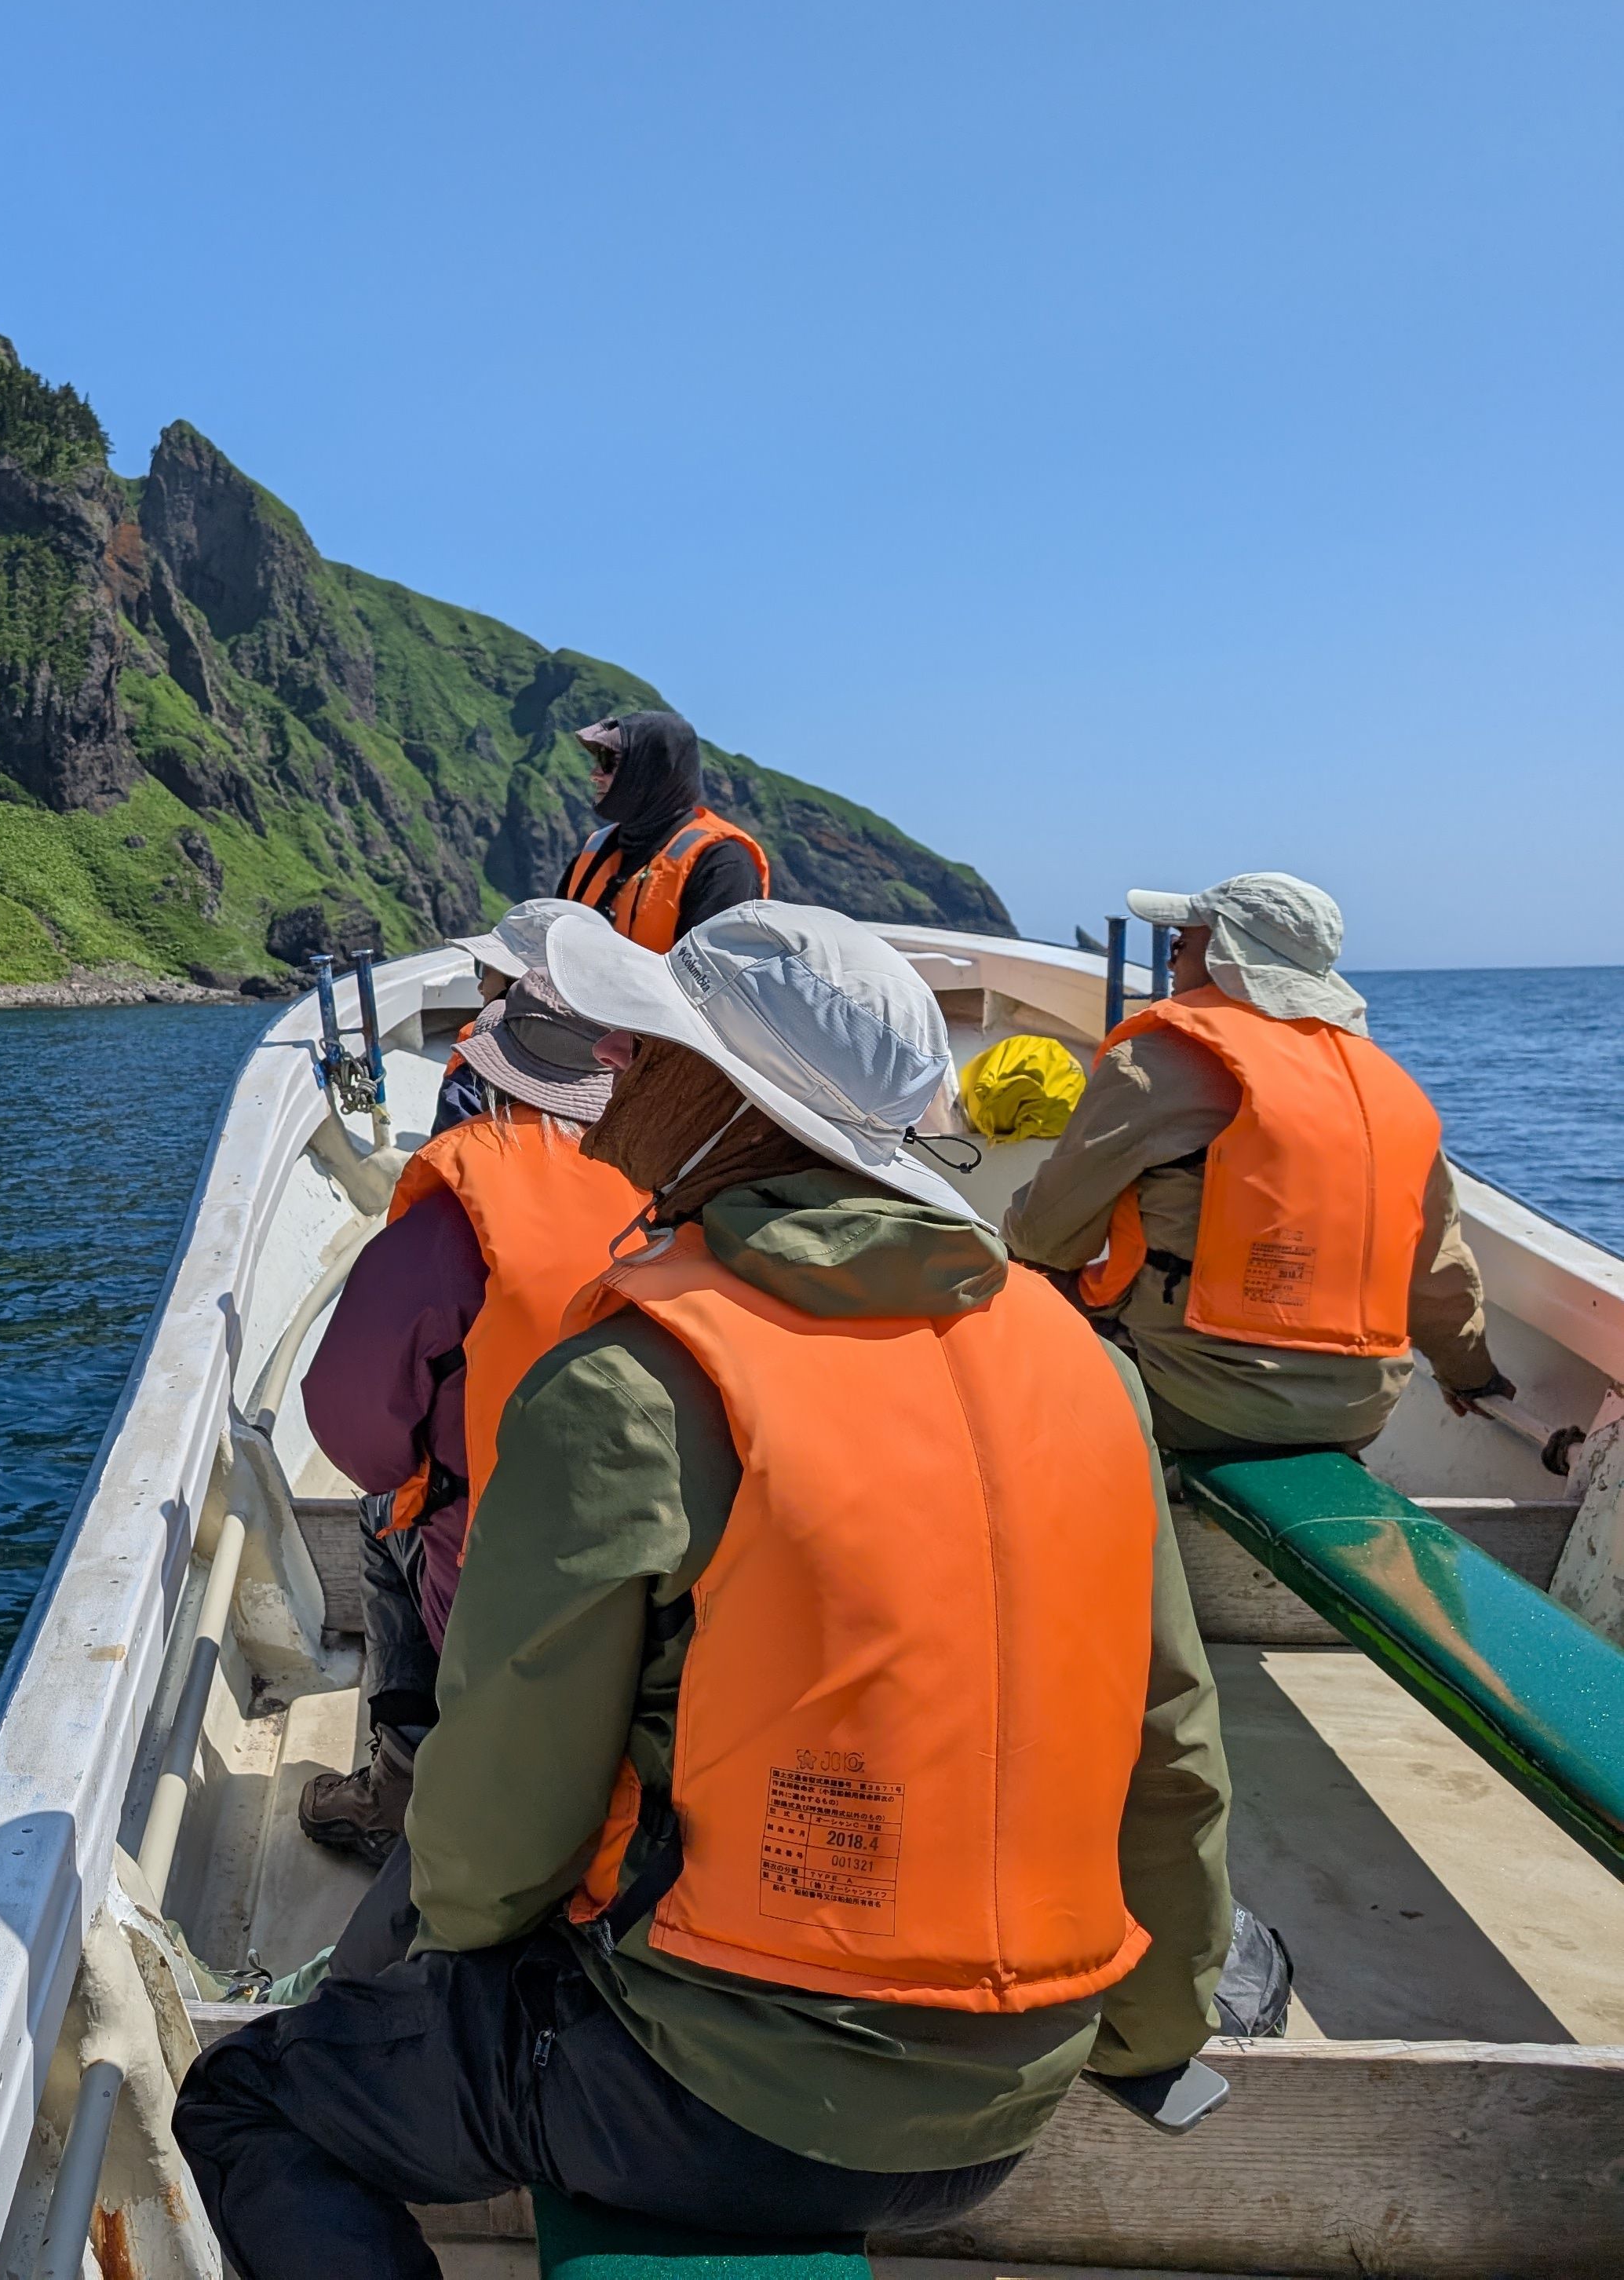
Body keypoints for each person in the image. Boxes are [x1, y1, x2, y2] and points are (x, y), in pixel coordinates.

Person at [176, 902, 1232, 2278]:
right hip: (1011, 2093)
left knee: (250, 2101)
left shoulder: (628, 1384)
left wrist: (451, 1961)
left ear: (732, 1105)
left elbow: (503, 1829)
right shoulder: (1086, 1368)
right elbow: (1172, 1745)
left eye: (651, 1043)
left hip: (718, 2098)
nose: (612, 1067)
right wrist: (1145, 2036)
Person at [294, 941, 643, 1866]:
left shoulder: (446, 1234)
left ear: (493, 1079)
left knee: (381, 1515)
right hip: (662, 1609)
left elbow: (353, 1434)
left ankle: (399, 1785)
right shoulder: (675, 1203)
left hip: (497, 1611)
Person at [1002, 874, 1509, 1456]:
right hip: (1361, 1413)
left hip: (1194, 1403)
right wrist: (1472, 1378)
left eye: (1178, 946)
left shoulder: (1155, 1061)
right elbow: (1439, 1280)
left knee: (1023, 1278)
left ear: (1223, 954)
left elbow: (1044, 1238)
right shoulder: (1389, 1090)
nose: (1171, 966)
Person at [558, 711, 771, 950]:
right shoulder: (596, 849)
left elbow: (714, 980)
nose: (595, 774)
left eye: (610, 762)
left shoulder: (724, 862)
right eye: (598, 761)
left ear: (651, 770)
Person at [436, 897, 579, 1131]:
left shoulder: (475, 1065)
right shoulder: (616, 1060)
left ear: (516, 983)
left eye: (485, 970)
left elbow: (448, 1147)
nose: (480, 987)